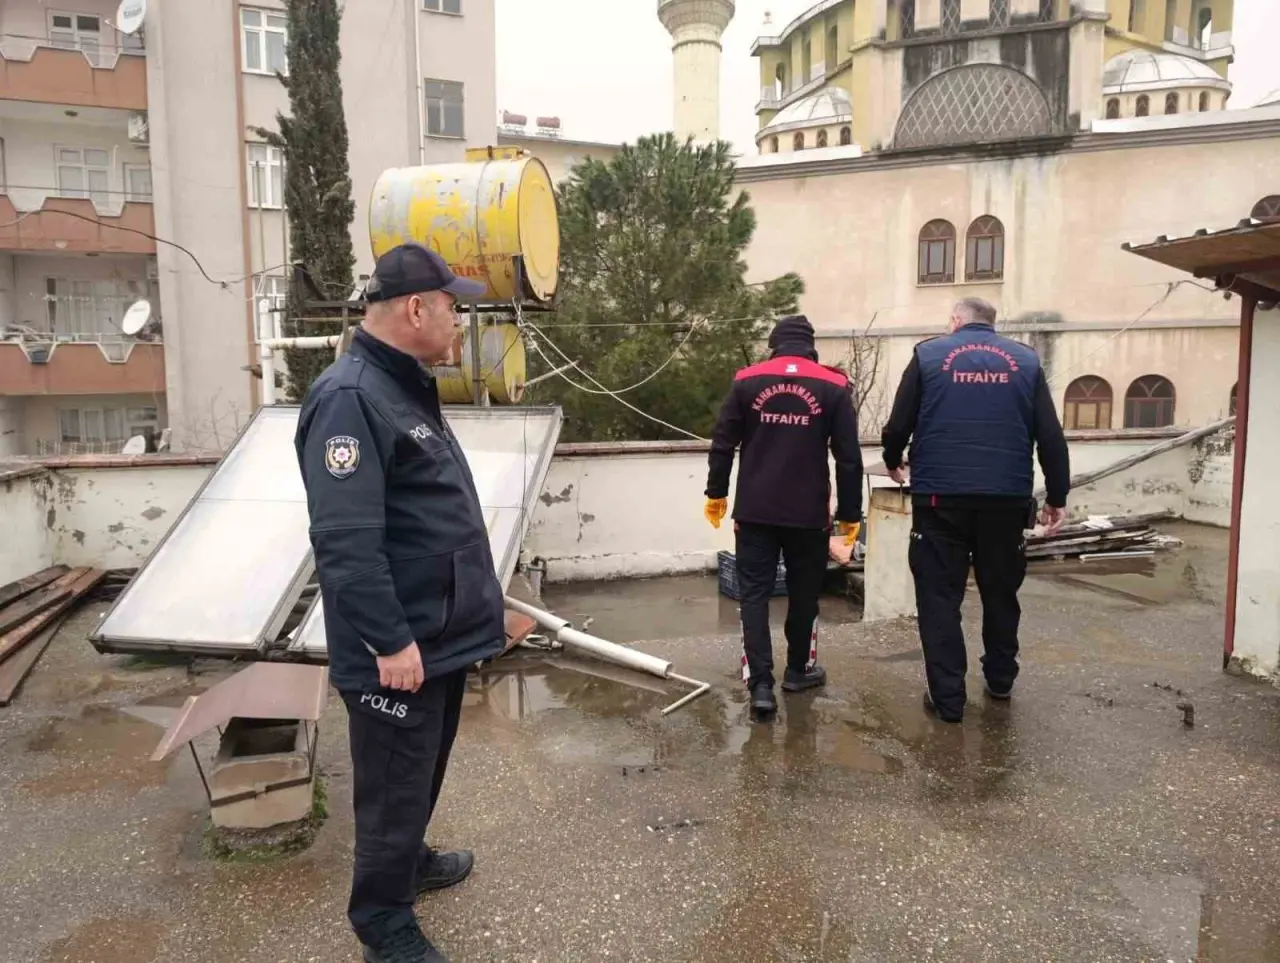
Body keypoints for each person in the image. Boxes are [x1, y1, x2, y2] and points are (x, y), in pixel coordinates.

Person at [295, 243, 506, 963]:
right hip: (399, 648)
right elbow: (345, 542)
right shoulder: (350, 398)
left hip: (436, 635)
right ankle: (382, 922)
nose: (458, 321)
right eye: (452, 307)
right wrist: (389, 640)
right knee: (391, 787)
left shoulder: (401, 387)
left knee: (419, 771)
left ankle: (409, 861)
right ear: (416, 308)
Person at [880, 297, 1070, 724]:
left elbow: (899, 423)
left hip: (939, 500)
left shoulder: (928, 355)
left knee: (939, 598)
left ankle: (948, 700)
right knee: (1000, 592)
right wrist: (1057, 496)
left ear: (955, 321)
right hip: (1006, 501)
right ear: (991, 324)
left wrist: (893, 459)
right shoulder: (1026, 361)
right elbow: (1050, 436)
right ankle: (1000, 679)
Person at [705, 315, 864, 716]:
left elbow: (722, 443)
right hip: (808, 514)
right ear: (811, 347)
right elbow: (848, 458)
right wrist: (849, 515)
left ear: (774, 345)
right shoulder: (834, 386)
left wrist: (716, 493)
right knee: (804, 594)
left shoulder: (747, 381)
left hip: (755, 512)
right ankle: (797, 670)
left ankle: (760, 686)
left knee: (754, 596)